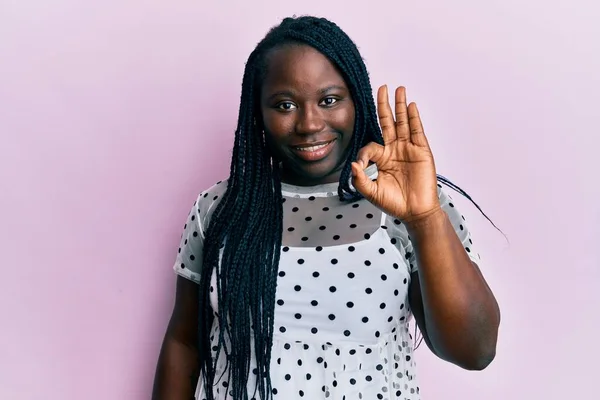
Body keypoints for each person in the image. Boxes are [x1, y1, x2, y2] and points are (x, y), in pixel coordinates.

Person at [152, 15, 501, 400]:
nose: (309, 123)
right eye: (285, 105)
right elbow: (184, 343)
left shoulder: (409, 200)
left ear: (357, 100)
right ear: (258, 114)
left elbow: (475, 350)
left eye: (329, 100)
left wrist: (424, 218)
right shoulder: (217, 208)